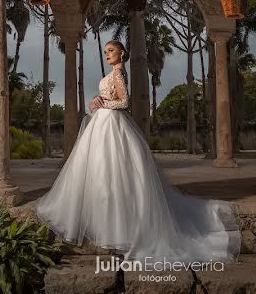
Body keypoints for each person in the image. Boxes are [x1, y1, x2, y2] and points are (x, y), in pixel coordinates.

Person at [34, 40, 241, 263]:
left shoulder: (119, 75)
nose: (107, 54)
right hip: (104, 124)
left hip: (113, 124)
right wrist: (99, 101)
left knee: (113, 170)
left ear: (122, 53)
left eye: (111, 51)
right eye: (105, 52)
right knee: (100, 170)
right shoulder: (114, 74)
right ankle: (104, 220)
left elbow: (124, 102)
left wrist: (103, 104)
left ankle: (118, 225)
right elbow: (112, 100)